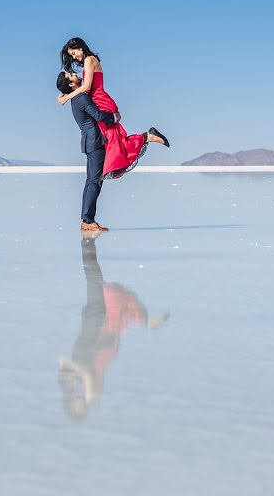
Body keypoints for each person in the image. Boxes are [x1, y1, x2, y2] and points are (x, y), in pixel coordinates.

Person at [57, 234, 168, 421]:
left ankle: (88, 242)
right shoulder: (91, 393)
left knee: (94, 278)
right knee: (93, 278)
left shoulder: (81, 386)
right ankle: (87, 243)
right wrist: (74, 369)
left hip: (97, 329)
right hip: (99, 330)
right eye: (78, 405)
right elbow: (83, 369)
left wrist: (71, 370)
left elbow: (67, 363)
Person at [57, 37, 169, 180]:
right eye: (72, 56)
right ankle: (147, 137)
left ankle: (147, 137)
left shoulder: (89, 60)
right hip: (99, 99)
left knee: (114, 139)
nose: (74, 57)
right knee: (114, 139)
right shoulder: (90, 60)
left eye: (74, 53)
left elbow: (86, 87)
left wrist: (66, 98)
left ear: (80, 48)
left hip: (100, 100)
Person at [58, 69, 119, 232]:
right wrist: (114, 117)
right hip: (95, 142)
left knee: (91, 181)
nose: (74, 73)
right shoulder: (81, 97)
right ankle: (88, 221)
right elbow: (98, 115)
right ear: (72, 84)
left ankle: (87, 219)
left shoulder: (75, 98)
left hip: (89, 142)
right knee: (94, 181)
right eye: (71, 75)